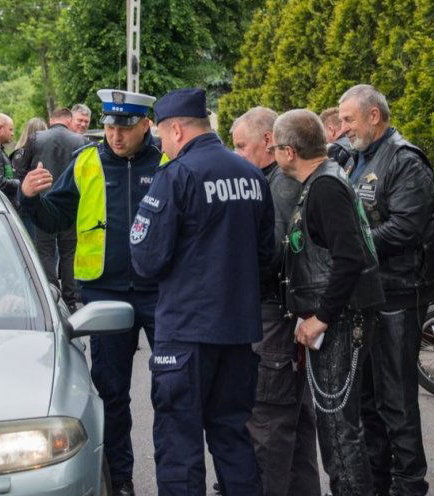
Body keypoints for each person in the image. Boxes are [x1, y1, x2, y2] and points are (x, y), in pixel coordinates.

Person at [19, 89, 163, 496]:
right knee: (112, 395)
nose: (115, 136)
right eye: (110, 127)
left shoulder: (168, 162)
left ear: (145, 126)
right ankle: (120, 481)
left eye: (126, 127)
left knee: (172, 392)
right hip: (104, 294)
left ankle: (174, 481)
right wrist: (29, 199)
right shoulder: (86, 161)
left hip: (159, 292)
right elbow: (53, 217)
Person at [130, 88, 273, 496]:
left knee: (179, 443)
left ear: (176, 129)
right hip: (238, 331)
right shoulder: (251, 175)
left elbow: (146, 258)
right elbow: (267, 255)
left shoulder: (177, 175)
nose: (161, 145)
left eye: (161, 136)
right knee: (233, 438)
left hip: (187, 333)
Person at [273, 108, 384, 496]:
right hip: (340, 318)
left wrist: (321, 317)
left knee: (339, 429)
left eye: (275, 147)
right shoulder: (324, 180)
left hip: (341, 321)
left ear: (289, 152)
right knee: (338, 426)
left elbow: (350, 257)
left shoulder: (325, 186)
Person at [337, 84, 434, 496]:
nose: (342, 129)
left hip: (398, 294)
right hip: (366, 296)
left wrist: (350, 247)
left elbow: (406, 228)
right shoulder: (357, 159)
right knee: (367, 400)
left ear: (373, 116)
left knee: (396, 400)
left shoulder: (404, 159)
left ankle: (410, 484)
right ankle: (378, 482)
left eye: (348, 119)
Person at [229, 106, 319, 496]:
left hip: (273, 320)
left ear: (269, 142)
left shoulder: (278, 189)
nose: (235, 155)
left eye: (240, 146)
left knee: (268, 424)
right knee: (294, 426)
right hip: (285, 322)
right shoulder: (278, 183)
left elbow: (271, 258)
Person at [24, 108, 87, 309]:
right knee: (69, 253)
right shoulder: (80, 141)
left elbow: (22, 170)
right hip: (71, 206)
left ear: (51, 120)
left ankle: (50, 297)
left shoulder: (36, 139)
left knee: (45, 251)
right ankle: (69, 300)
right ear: (69, 121)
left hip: (43, 204)